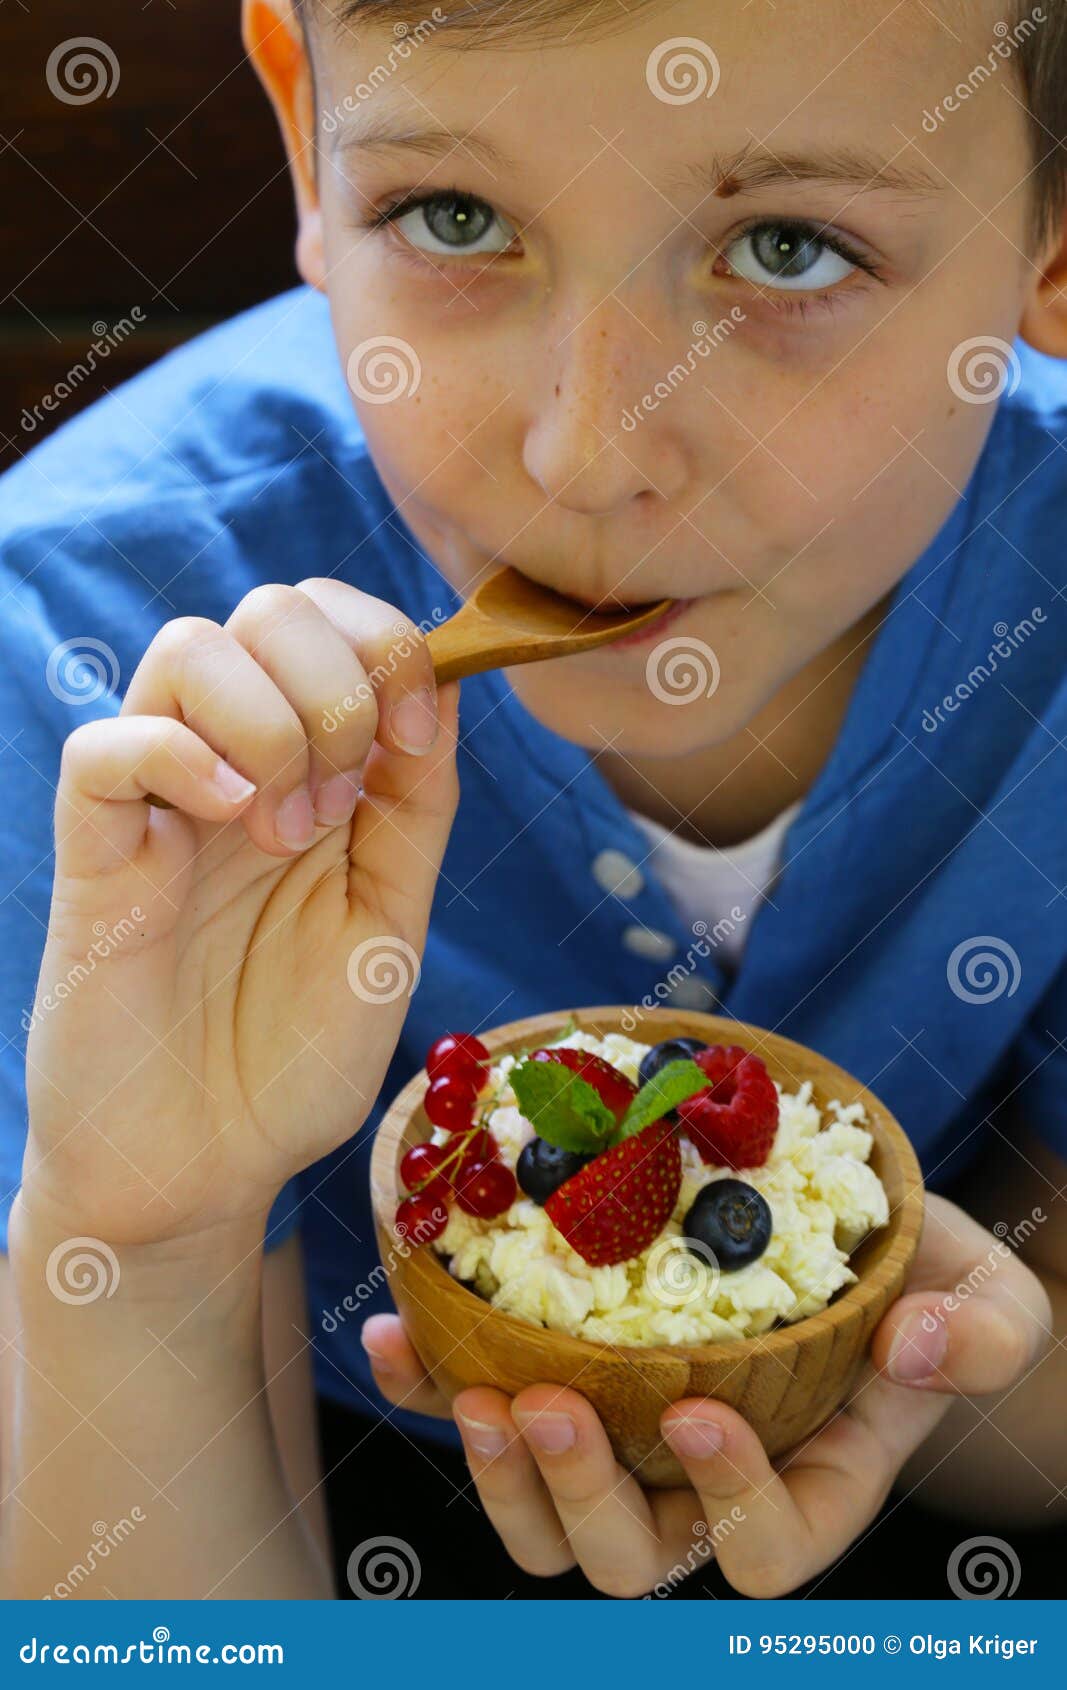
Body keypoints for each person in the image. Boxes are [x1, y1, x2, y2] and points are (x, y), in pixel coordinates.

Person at [0, 0, 1063, 1600]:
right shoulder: (90, 665)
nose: (587, 454)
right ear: (305, 138)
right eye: (455, 218)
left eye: (785, 250)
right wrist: (146, 1247)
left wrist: (844, 1361)